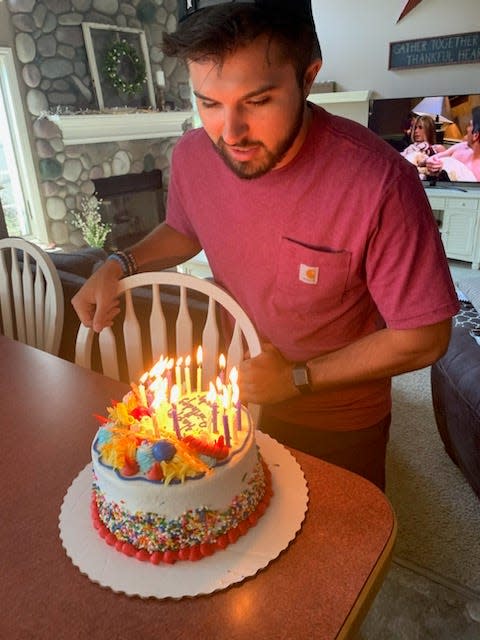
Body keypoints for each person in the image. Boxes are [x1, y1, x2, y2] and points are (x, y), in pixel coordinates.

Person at [72, 0, 459, 491]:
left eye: (256, 101)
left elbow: (424, 336)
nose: (229, 134)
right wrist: (117, 263)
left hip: (336, 418)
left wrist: (298, 378)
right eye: (209, 103)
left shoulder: (381, 184)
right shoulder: (193, 155)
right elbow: (184, 229)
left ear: (308, 76)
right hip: (231, 399)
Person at [426, 106, 480, 181]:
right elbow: (434, 158)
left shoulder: (476, 172)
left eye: (470, 125)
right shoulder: (462, 147)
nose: (467, 129)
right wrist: (431, 163)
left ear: (475, 135)